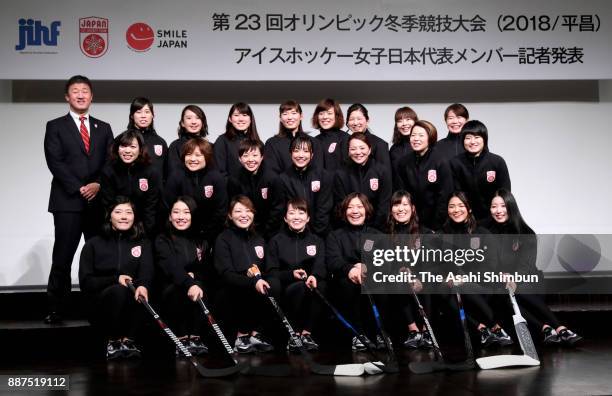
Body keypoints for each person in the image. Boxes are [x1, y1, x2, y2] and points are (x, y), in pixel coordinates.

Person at [44, 75, 114, 324]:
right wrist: (79, 188)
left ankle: (97, 305)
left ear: (92, 96)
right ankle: (56, 307)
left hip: (97, 201)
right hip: (67, 202)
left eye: (85, 91)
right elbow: (55, 162)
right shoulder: (55, 126)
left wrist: (97, 185)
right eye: (75, 91)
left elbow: (110, 161)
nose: (81, 95)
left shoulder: (103, 127)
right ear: (67, 97)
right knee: (62, 256)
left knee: (98, 257)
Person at [486, 189, 582, 345]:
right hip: (499, 282)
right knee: (503, 292)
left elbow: (527, 266)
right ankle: (546, 328)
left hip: (525, 279)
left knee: (517, 289)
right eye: (494, 206)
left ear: (511, 207)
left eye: (503, 206)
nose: (498, 211)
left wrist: (514, 278)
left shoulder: (526, 233)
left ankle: (558, 327)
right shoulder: (486, 233)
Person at [78, 196, 153, 359]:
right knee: (118, 291)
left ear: (134, 216)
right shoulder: (93, 244)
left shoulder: (143, 243)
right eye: (118, 212)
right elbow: (86, 282)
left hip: (131, 304)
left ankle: (128, 341)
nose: (124, 217)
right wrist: (115, 279)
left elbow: (146, 272)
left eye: (128, 212)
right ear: (109, 215)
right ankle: (113, 341)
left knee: (143, 292)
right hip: (101, 305)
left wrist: (143, 285)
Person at [439, 192, 513, 348]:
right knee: (444, 289)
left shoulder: (483, 233)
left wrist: (466, 278)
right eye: (452, 206)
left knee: (461, 285)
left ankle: (495, 327)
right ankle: (483, 329)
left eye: (461, 205)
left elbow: (491, 267)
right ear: (447, 210)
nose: (456, 210)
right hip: (456, 288)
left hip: (482, 285)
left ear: (469, 208)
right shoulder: (443, 235)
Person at [214, 196, 280, 353]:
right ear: (230, 215)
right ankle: (241, 336)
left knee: (275, 284)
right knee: (240, 288)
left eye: (248, 210)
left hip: (256, 288)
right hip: (232, 292)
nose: (244, 215)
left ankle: (257, 335)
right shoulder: (223, 239)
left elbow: (268, 269)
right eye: (238, 211)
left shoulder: (259, 238)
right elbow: (226, 275)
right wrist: (251, 279)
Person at [325, 193, 386, 351]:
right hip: (346, 280)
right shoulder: (335, 236)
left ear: (366, 210)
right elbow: (333, 261)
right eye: (350, 207)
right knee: (348, 285)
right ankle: (358, 335)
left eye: (359, 207)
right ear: (344, 211)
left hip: (372, 277)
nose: (355, 211)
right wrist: (350, 269)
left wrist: (366, 268)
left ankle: (380, 333)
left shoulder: (377, 235)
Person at [265, 198, 327, 351]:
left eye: (301, 212)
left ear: (308, 218)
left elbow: (321, 265)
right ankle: (294, 335)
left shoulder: (317, 240)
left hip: (310, 284)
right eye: (292, 213)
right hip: (287, 287)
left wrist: (314, 276)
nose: (297, 217)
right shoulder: (276, 241)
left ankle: (307, 334)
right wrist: (291, 275)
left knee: (323, 285)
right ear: (286, 218)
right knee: (298, 288)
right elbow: (271, 272)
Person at [155, 196, 210, 356]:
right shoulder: (162, 239)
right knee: (178, 290)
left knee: (202, 287)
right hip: (170, 289)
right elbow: (171, 267)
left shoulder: (201, 240)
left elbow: (206, 268)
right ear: (170, 216)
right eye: (176, 212)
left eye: (186, 212)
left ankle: (195, 337)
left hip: (195, 286)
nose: (181, 217)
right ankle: (182, 337)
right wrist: (189, 282)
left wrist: (195, 277)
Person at [385, 191, 435, 349]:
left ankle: (427, 331)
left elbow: (432, 263)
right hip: (401, 282)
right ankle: (413, 330)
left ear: (413, 208)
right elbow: (387, 264)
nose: (401, 209)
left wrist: (419, 277)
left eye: (405, 204)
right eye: (396, 205)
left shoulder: (425, 233)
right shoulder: (386, 235)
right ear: (391, 209)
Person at [164, 138, 228, 245]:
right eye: (188, 154)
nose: (193, 159)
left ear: (207, 157)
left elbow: (221, 210)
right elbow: (167, 205)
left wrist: (207, 234)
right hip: (180, 232)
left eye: (198, 155)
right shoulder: (176, 176)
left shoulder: (216, 177)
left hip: (209, 234)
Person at [394, 120, 453, 230]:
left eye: (421, 135)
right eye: (413, 135)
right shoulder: (404, 162)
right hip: (410, 221)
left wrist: (437, 225)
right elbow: (401, 193)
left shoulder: (440, 161)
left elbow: (444, 196)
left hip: (435, 222)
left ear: (430, 138)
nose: (416, 139)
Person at [100, 130, 161, 236]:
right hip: (117, 226)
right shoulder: (108, 171)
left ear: (140, 149)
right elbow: (108, 204)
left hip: (144, 227)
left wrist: (146, 231)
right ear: (117, 149)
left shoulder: (151, 171)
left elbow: (151, 206)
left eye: (133, 147)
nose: (127, 151)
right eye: (123, 146)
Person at [450, 120, 511, 221]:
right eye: (468, 138)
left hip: (493, 218)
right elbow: (454, 193)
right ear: (463, 141)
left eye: (477, 137)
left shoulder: (497, 161)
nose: (473, 142)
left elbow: (505, 193)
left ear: (484, 139)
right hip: (465, 219)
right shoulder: (455, 163)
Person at [333, 132, 392, 230]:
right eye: (353, 149)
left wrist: (373, 228)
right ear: (348, 151)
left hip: (376, 228)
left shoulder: (381, 171)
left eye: (362, 148)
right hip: (348, 228)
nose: (358, 152)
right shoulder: (340, 173)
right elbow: (340, 204)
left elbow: (384, 203)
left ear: (369, 150)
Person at [227, 139, 284, 239]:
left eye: (255, 155)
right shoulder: (234, 180)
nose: (250, 159)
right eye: (245, 156)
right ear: (240, 158)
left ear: (262, 157)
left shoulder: (272, 178)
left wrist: (264, 231)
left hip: (269, 232)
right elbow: (233, 207)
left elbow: (278, 208)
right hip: (243, 229)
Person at [279, 133, 334, 237]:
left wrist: (314, 235)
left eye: (305, 151)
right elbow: (284, 210)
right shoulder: (283, 179)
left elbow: (324, 208)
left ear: (312, 154)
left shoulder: (324, 176)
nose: (301, 155)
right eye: (296, 151)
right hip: (293, 233)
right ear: (290, 153)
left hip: (320, 234)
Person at [264, 100, 323, 175]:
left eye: (294, 113)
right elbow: (271, 174)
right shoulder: (272, 144)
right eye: (285, 114)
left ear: (301, 116)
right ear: (280, 118)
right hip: (282, 186)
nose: (290, 117)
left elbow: (318, 172)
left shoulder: (314, 142)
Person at [126, 97, 168, 183]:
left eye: (147, 112)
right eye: (138, 112)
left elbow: (166, 173)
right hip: (129, 193)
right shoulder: (123, 140)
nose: (143, 116)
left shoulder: (160, 142)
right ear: (132, 116)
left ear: (153, 115)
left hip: (156, 194)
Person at [214, 102, 262, 179]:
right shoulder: (222, 141)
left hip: (255, 189)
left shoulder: (257, 142)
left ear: (250, 119)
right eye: (236, 115)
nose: (241, 119)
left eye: (245, 115)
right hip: (230, 189)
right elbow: (220, 172)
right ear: (230, 119)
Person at [345, 103, 391, 171]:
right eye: (352, 119)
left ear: (367, 120)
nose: (355, 123)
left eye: (359, 119)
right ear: (348, 122)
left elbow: (386, 175)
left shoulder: (380, 144)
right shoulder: (344, 143)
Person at [168, 105, 209, 175]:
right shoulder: (175, 146)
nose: (193, 122)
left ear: (203, 123)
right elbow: (173, 173)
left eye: (197, 118)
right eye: (189, 118)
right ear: (182, 123)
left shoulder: (210, 146)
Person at [312, 98, 349, 173]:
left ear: (336, 116)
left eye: (329, 113)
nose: (325, 117)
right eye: (321, 113)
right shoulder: (314, 141)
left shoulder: (345, 138)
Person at [389, 106, 418, 182]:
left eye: (408, 119)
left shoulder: (422, 146)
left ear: (415, 121)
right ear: (396, 125)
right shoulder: (394, 149)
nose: (404, 124)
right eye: (400, 121)